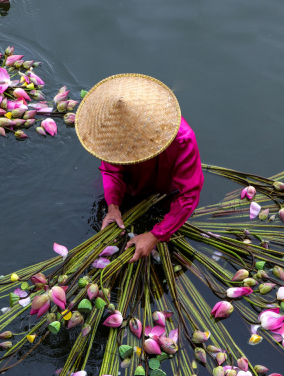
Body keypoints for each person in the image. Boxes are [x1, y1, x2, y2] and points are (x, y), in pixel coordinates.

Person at [75, 73, 204, 262]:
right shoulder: (111, 133)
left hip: (164, 187)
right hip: (131, 184)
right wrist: (113, 206)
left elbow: (190, 193)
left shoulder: (182, 140)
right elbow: (111, 170)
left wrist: (155, 235)